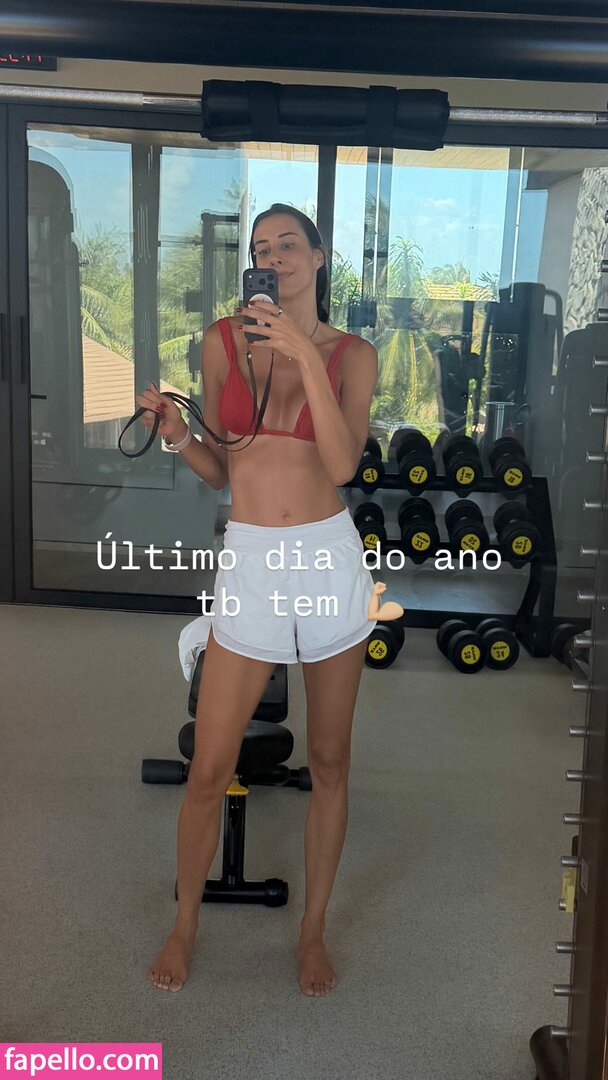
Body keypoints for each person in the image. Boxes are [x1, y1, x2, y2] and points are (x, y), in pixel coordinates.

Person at [137, 203, 392, 998]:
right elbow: (224, 468)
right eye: (260, 247)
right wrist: (176, 433)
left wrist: (303, 354)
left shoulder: (353, 355)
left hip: (326, 560)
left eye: (288, 245)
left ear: (318, 258)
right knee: (209, 766)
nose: (272, 257)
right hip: (251, 558)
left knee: (331, 760)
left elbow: (343, 464)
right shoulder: (222, 342)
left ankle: (312, 931)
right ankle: (185, 925)